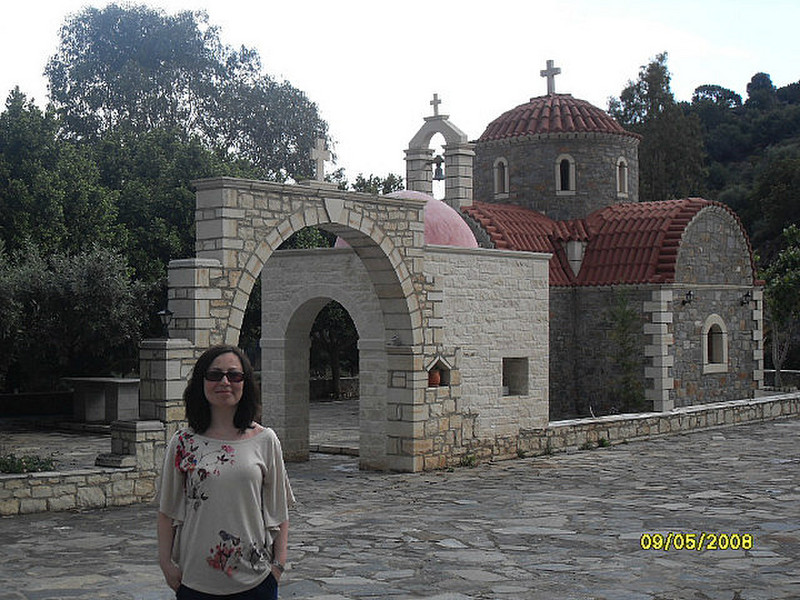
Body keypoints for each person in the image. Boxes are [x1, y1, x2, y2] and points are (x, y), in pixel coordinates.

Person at [158, 344, 294, 599]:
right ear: (201, 382)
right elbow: (167, 511)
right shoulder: (183, 443)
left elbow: (279, 510)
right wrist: (166, 564)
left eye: (234, 375)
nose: (224, 381)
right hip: (196, 580)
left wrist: (278, 566)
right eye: (214, 374)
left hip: (256, 580)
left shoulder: (265, 440)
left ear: (245, 383)